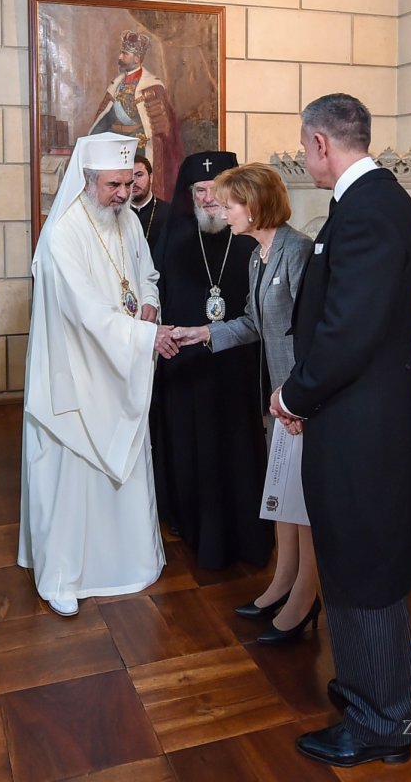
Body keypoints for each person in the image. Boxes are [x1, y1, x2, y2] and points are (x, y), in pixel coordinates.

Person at [270, 94, 411, 766]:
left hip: (363, 423)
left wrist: (293, 394)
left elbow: (347, 333)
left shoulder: (368, 210)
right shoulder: (366, 202)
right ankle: (368, 689)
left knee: (364, 564)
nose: (304, 157)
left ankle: (382, 722)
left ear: (319, 143)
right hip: (358, 416)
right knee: (352, 556)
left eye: (303, 147)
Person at [18, 133, 176, 617]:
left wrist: (149, 303)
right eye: (113, 185)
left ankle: (130, 561)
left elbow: (147, 275)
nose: (124, 194)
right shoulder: (64, 234)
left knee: (125, 462)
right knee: (75, 472)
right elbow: (84, 312)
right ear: (87, 181)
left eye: (128, 183)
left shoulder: (127, 220)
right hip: (77, 372)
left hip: (119, 365)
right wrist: (145, 337)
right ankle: (64, 576)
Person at [169, 163, 318, 643]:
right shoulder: (257, 256)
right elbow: (254, 323)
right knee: (284, 498)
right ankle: (282, 582)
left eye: (229, 203)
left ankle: (305, 597)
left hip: (300, 402)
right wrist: (202, 333)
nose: (221, 211)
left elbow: (314, 334)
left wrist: (298, 396)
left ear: (253, 206)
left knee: (305, 504)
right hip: (278, 399)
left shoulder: (298, 251)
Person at [150, 151, 269, 570]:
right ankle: (193, 525)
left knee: (237, 447)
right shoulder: (173, 234)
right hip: (186, 365)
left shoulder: (250, 236)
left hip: (238, 364)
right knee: (189, 446)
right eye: (198, 190)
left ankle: (246, 532)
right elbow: (156, 294)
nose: (207, 199)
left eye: (215, 189)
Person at [89, 30, 183, 202]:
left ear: (137, 59)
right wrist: (93, 138)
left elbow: (162, 128)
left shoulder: (152, 86)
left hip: (141, 148)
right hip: (115, 147)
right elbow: (106, 117)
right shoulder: (117, 85)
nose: (120, 57)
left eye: (125, 54)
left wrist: (141, 137)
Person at [130, 154, 169, 253]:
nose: (134, 182)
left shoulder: (169, 214)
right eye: (130, 176)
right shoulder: (117, 215)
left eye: (139, 175)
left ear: (150, 177)